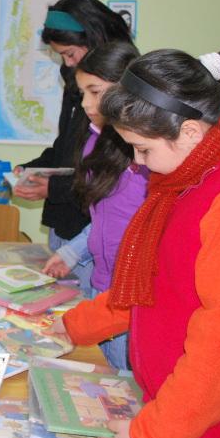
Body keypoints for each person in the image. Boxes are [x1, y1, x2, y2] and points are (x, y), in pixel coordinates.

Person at [54, 49, 220, 438]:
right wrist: (76, 325)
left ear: (190, 131)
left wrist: (150, 435)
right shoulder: (190, 171)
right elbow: (148, 284)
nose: (138, 163)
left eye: (143, 149)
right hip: (178, 413)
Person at [14, 0, 133, 288]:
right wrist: (34, 168)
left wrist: (53, 187)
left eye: (70, 53)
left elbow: (109, 176)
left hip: (90, 235)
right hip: (67, 225)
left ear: (93, 37)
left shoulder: (122, 93)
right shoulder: (76, 81)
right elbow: (67, 146)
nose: (67, 63)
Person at [42, 41, 146, 370]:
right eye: (82, 93)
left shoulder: (147, 155)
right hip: (101, 288)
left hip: (129, 300)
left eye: (95, 92)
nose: (86, 104)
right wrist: (71, 252)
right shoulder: (94, 137)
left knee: (127, 379)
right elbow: (103, 220)